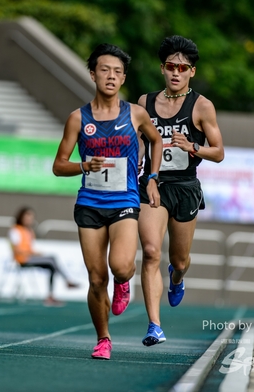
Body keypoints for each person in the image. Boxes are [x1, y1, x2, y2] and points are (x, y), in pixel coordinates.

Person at [52, 43, 162, 360]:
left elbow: (155, 141)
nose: (110, 77)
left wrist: (151, 177)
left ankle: (124, 282)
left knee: (120, 267)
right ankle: (103, 338)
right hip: (89, 202)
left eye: (116, 72)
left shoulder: (136, 114)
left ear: (123, 78)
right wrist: (84, 166)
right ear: (93, 74)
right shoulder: (77, 118)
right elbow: (59, 166)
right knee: (97, 278)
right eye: (104, 70)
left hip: (125, 200)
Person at [137, 35, 224, 347]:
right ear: (162, 68)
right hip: (153, 185)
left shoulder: (201, 106)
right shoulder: (144, 104)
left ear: (192, 72)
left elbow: (219, 152)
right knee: (150, 252)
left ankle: (177, 277)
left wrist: (193, 147)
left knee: (181, 259)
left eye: (182, 68)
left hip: (185, 188)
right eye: (171, 66)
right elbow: (137, 142)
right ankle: (154, 325)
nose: (176, 72)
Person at [8, 206, 79, 307]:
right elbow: (17, 249)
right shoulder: (15, 230)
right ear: (21, 217)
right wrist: (33, 253)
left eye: (31, 217)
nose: (29, 220)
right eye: (27, 217)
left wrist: (36, 253)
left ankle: (50, 295)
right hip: (22, 259)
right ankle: (67, 280)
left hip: (29, 257)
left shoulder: (29, 231)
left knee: (51, 265)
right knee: (51, 260)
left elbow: (28, 248)